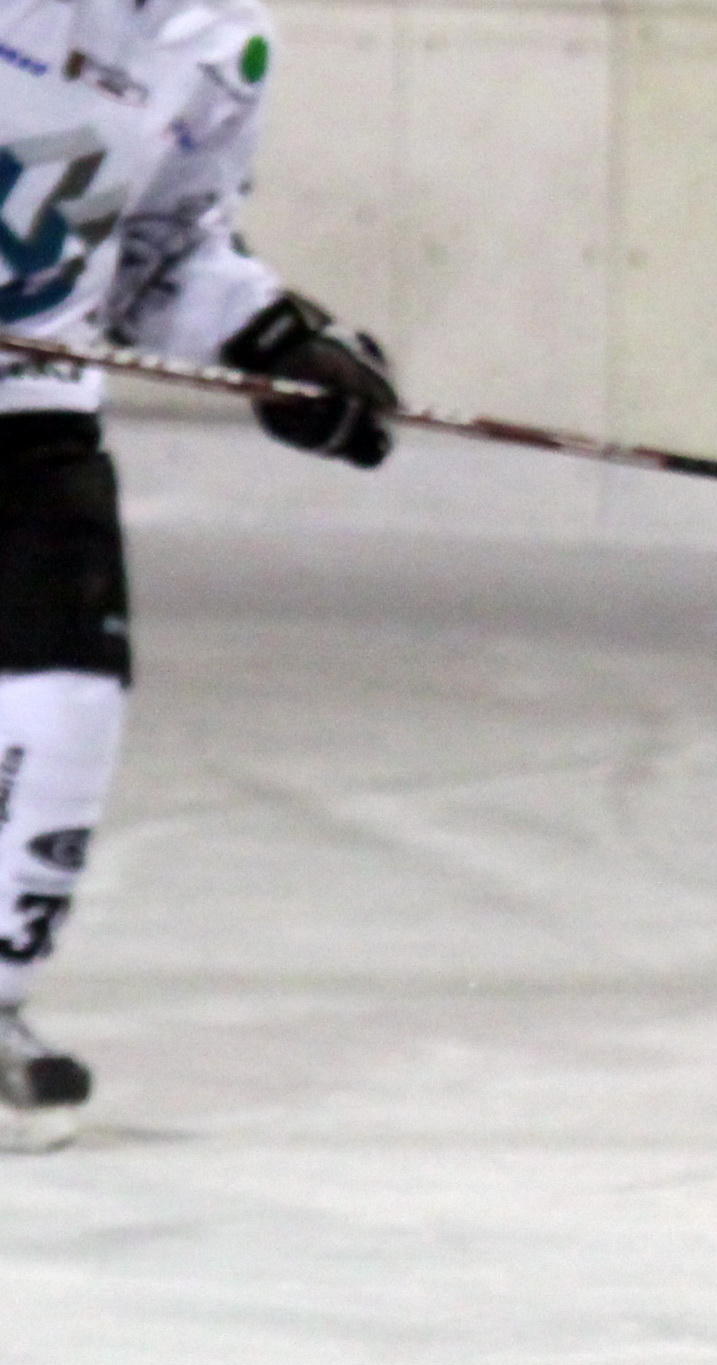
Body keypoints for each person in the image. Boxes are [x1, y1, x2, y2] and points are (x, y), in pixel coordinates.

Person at [0, 0, 399, 1145]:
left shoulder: (220, 40)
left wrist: (274, 343)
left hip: (27, 405)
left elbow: (161, 248)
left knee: (67, 696)